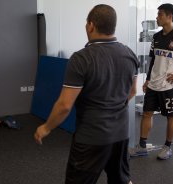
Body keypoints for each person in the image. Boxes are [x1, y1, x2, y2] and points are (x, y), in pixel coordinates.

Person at [34, 4, 138, 184]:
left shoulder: (82, 58)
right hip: (121, 133)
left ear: (91, 25)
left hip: (91, 137)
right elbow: (133, 91)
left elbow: (65, 105)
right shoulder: (130, 54)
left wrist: (46, 127)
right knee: (121, 180)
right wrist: (113, 107)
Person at [129, 3, 173, 160]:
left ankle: (167, 147)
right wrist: (147, 80)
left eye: (160, 14)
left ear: (169, 17)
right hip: (153, 84)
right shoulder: (156, 37)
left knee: (171, 117)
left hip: (170, 86)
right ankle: (142, 146)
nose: (157, 17)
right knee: (147, 113)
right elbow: (152, 60)